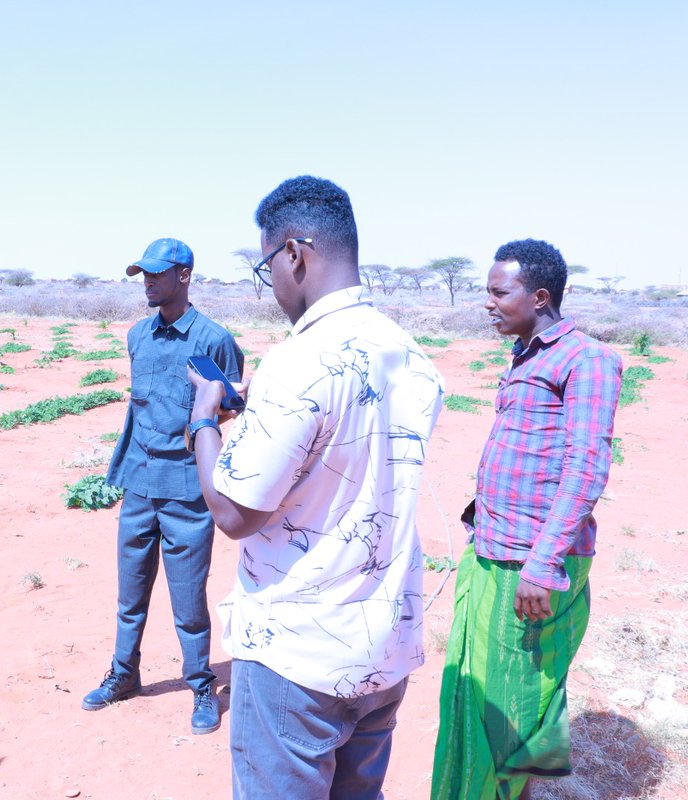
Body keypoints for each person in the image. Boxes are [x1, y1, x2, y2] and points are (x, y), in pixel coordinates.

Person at [186, 176, 445, 798]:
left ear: (294, 253)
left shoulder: (299, 360)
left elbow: (232, 511)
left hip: (299, 657)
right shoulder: (408, 352)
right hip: (384, 646)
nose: (270, 281)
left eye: (265, 265)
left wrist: (204, 419)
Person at [430, 239, 623, 800]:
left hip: (532, 561)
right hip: (496, 547)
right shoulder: (526, 354)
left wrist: (542, 564)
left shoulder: (586, 360)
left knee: (510, 699)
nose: (487, 304)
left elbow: (586, 470)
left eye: (498, 292)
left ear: (539, 296)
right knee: (477, 691)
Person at [82, 237, 243, 736]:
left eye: (156, 273)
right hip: (139, 484)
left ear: (184, 276)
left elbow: (231, 404)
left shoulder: (213, 340)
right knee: (130, 592)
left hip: (187, 491)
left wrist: (207, 415)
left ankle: (200, 686)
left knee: (188, 597)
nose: (147, 282)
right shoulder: (137, 336)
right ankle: (123, 675)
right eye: (142, 274)